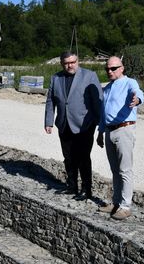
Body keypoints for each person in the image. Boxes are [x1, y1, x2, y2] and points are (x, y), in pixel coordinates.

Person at [44, 51, 102, 200]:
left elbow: (97, 101)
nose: (70, 65)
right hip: (64, 124)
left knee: (83, 157)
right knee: (68, 157)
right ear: (62, 63)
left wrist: (99, 123)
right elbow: (51, 101)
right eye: (66, 63)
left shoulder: (90, 76)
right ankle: (71, 186)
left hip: (84, 125)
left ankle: (86, 189)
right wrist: (49, 121)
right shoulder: (56, 78)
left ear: (78, 61)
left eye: (72, 62)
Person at [96, 56, 144, 220]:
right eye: (107, 69)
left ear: (122, 68)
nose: (110, 71)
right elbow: (103, 113)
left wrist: (137, 100)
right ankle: (116, 202)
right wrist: (100, 132)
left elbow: (138, 93)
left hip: (124, 129)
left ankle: (125, 206)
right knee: (115, 170)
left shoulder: (130, 83)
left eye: (113, 68)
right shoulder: (107, 88)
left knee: (125, 169)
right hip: (109, 131)